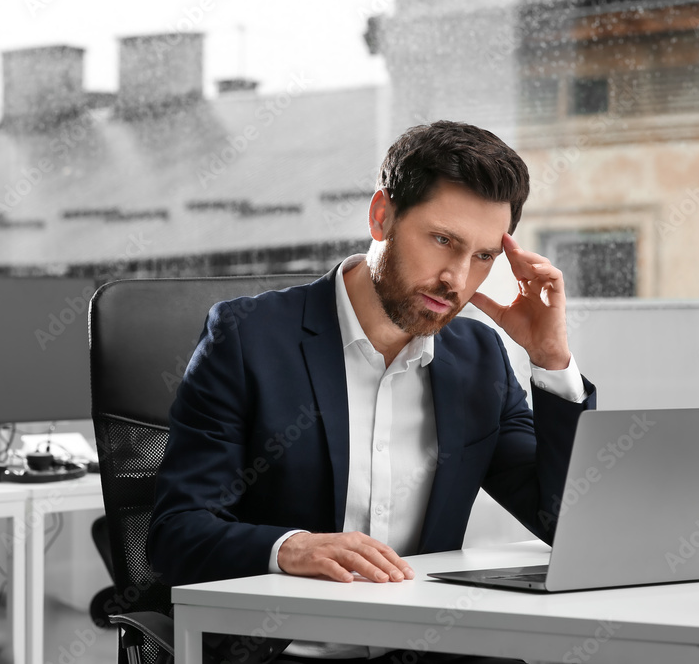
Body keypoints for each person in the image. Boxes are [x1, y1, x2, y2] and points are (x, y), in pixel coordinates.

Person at [147, 120, 597, 662]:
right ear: (381, 215)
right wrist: (291, 547)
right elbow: (176, 532)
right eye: (442, 240)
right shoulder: (248, 339)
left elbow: (564, 522)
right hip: (286, 650)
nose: (455, 278)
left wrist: (551, 363)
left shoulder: (479, 358)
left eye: (482, 257)